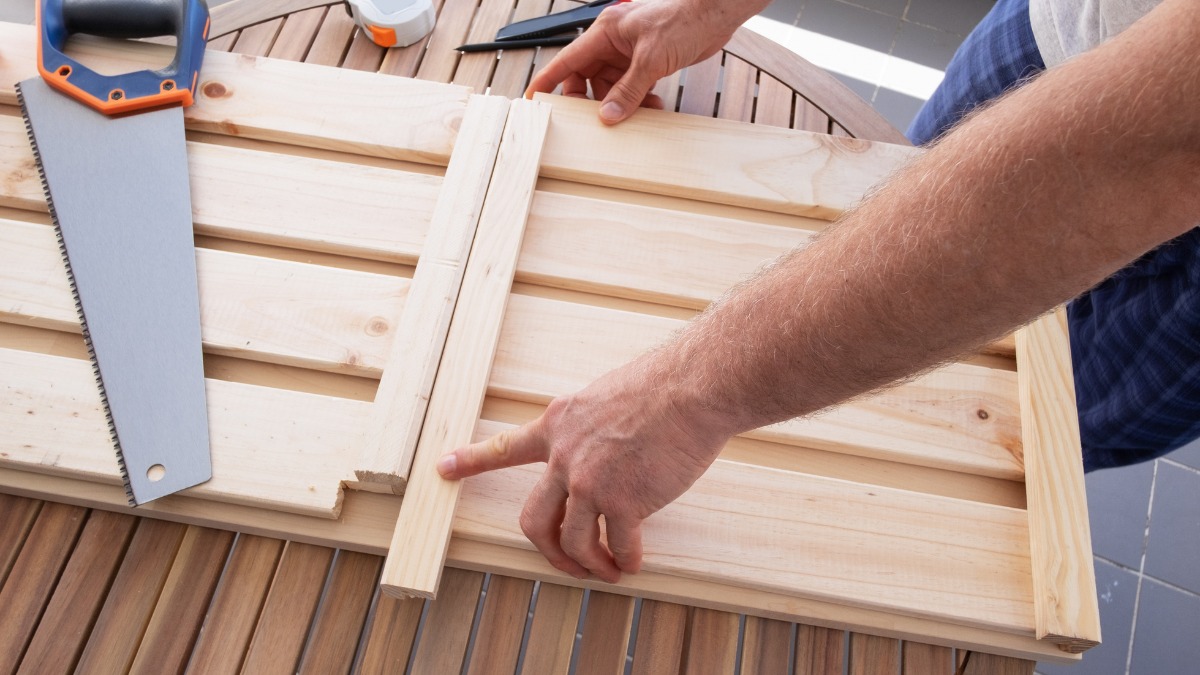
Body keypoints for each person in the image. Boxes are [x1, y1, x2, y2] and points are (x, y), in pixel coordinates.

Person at [437, 0, 1200, 584]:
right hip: (1072, 28)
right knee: (890, 218)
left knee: (1016, 451)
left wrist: (681, 396)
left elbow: (1163, 143)